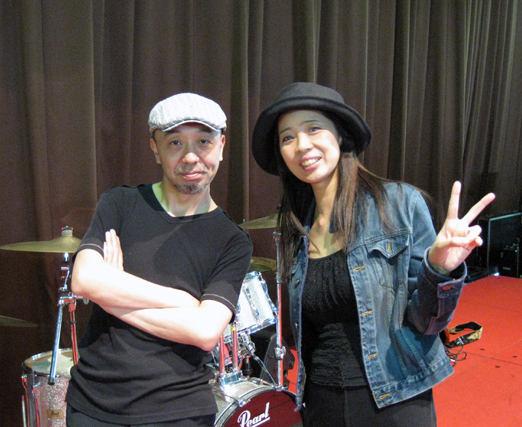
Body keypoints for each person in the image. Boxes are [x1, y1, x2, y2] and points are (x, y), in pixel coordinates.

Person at [251, 82, 495, 426]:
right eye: (287, 137)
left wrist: (439, 271)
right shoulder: (296, 228)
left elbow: (428, 323)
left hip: (394, 400)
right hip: (320, 401)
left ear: (341, 135)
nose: (302, 144)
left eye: (313, 128)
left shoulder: (398, 204)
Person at [65, 92, 253, 426]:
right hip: (93, 402)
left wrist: (112, 293)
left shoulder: (232, 241)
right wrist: (182, 301)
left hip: (180, 409)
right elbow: (83, 280)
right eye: (175, 143)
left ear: (222, 146)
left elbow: (205, 331)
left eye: (204, 142)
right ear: (155, 148)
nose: (191, 156)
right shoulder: (120, 203)